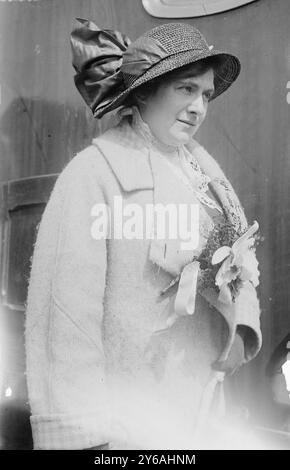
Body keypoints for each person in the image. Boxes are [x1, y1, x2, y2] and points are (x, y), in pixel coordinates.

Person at [25, 20, 262, 450]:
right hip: (123, 428)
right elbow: (66, 321)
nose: (199, 108)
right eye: (186, 89)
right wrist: (86, 436)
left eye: (205, 94)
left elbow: (241, 257)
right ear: (145, 92)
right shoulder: (92, 176)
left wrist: (240, 331)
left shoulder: (206, 176)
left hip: (197, 415)